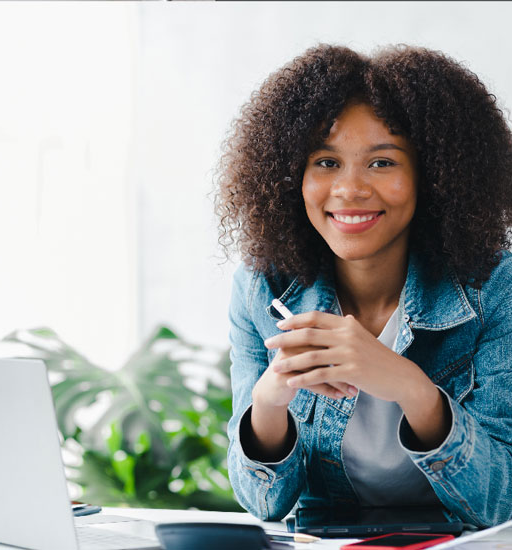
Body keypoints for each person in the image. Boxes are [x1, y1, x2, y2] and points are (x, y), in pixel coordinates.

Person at [215, 44, 512, 527]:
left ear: (432, 176)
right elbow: (264, 503)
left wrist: (411, 389)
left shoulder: (496, 287)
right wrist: (269, 400)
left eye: (382, 163)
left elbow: (502, 503)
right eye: (326, 162)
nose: (349, 190)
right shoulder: (263, 287)